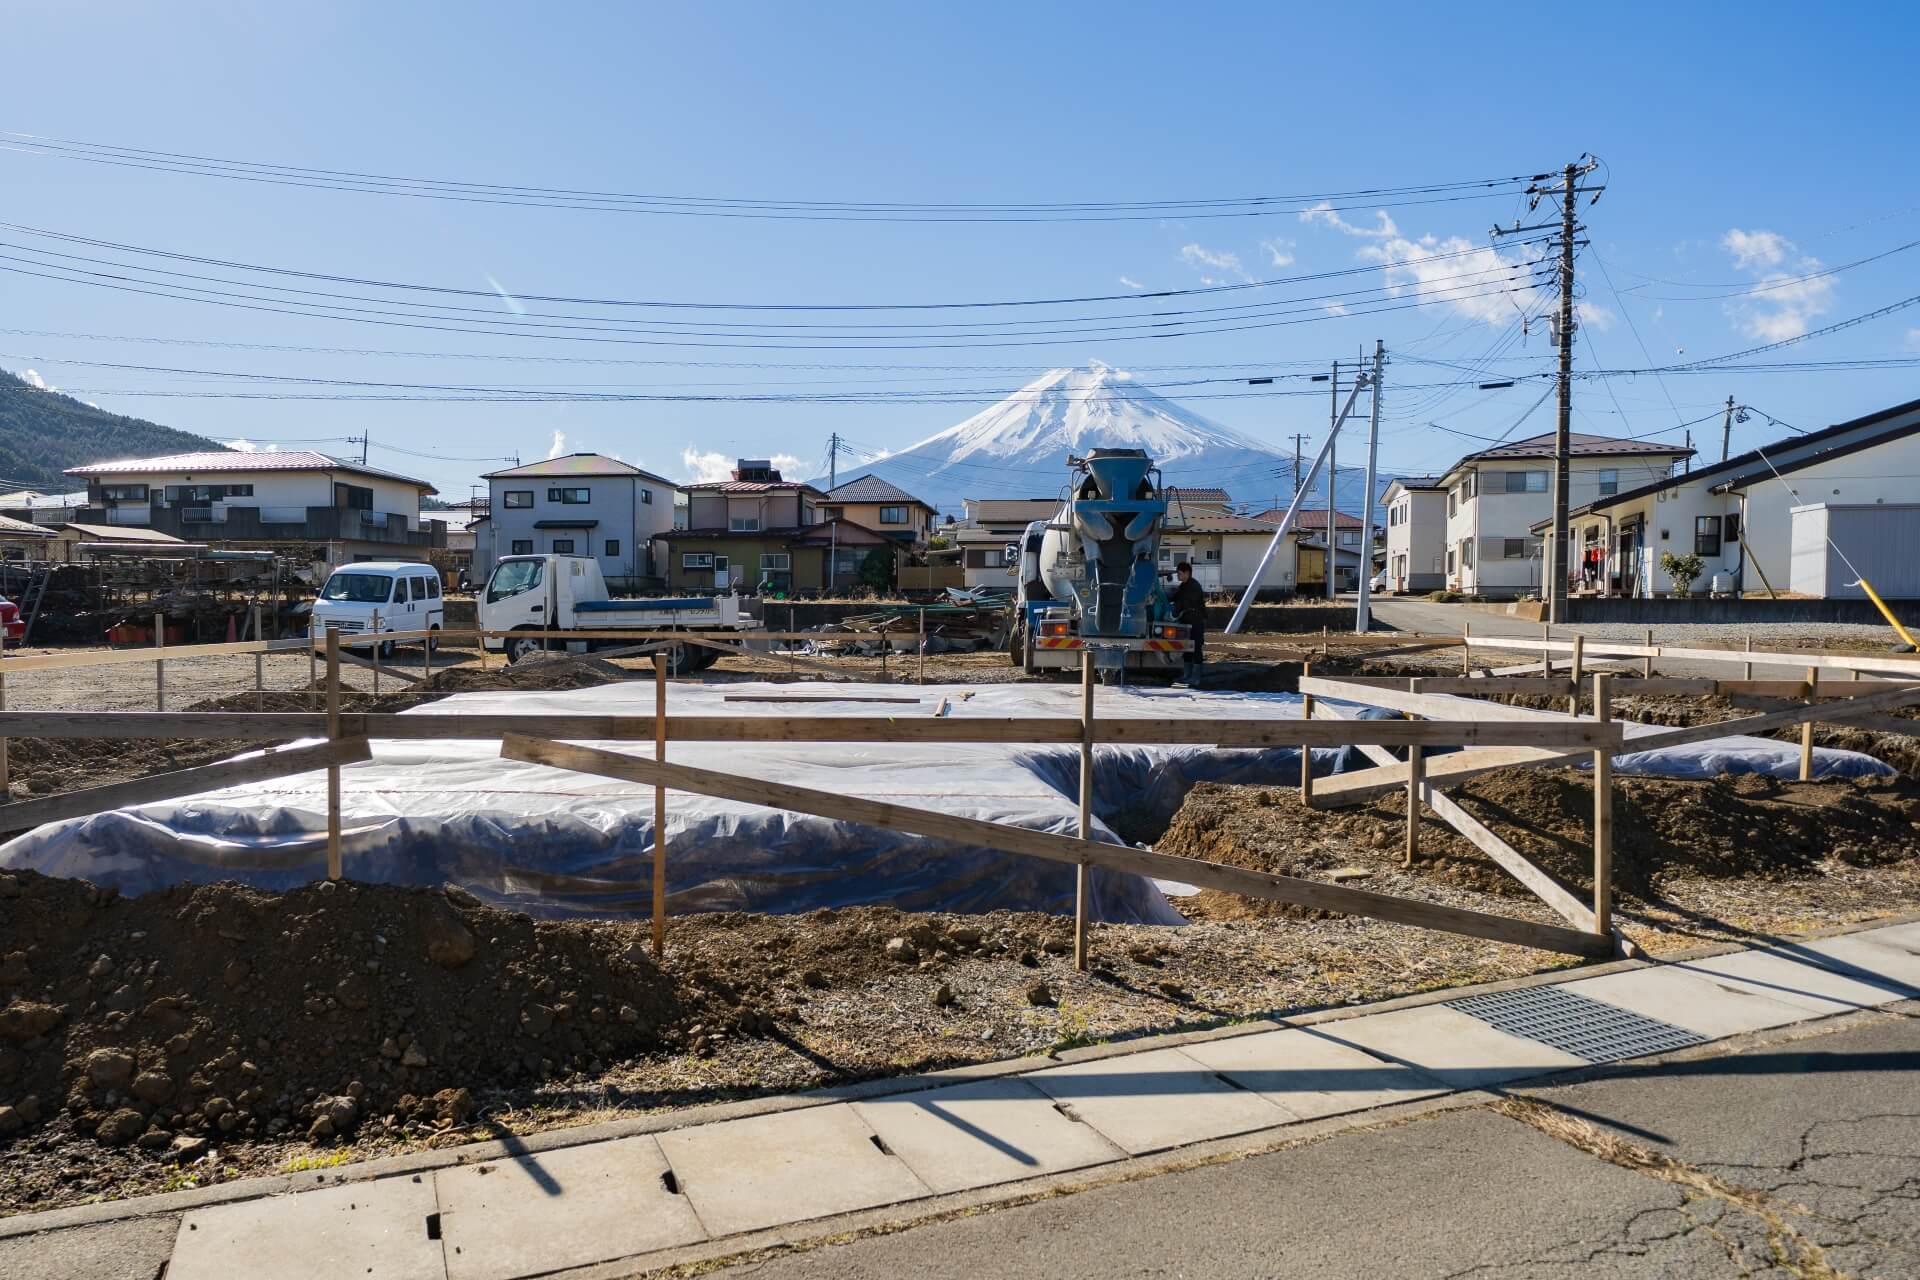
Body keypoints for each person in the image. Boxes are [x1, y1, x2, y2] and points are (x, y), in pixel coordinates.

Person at [1169, 561, 1207, 685]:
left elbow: (1185, 602)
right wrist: (1162, 597)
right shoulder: (1183, 586)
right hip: (1186, 621)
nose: (1178, 576)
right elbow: (1174, 597)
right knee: (1186, 648)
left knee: (1196, 648)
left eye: (1179, 573)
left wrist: (1175, 610)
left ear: (1187, 573)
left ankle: (1196, 677)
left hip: (1196, 621)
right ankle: (1187, 675)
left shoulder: (1194, 586)